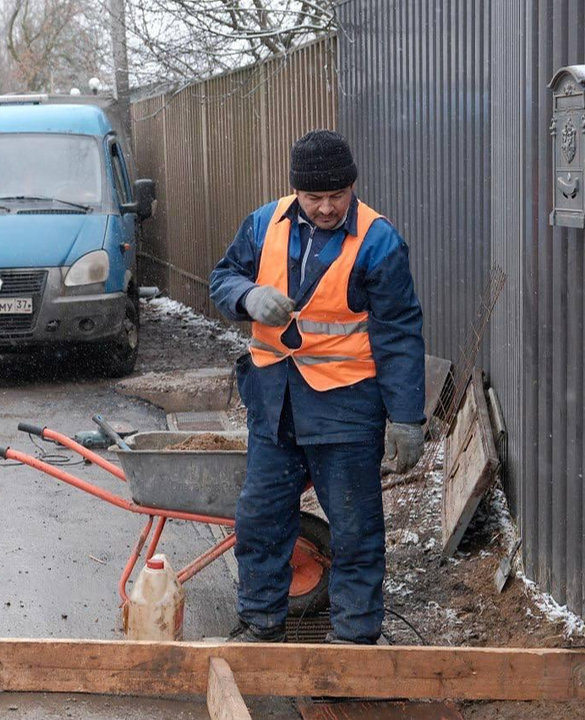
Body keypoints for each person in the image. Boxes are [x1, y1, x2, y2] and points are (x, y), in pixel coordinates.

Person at [209, 130, 425, 645]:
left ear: (352, 186)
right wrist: (248, 295)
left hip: (345, 409)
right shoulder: (264, 223)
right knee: (260, 524)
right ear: (296, 191)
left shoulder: (378, 240)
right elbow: (223, 278)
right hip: (273, 406)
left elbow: (398, 334)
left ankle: (353, 642)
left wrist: (407, 417)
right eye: (314, 198)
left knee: (355, 531)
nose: (327, 208)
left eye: (337, 196)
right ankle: (260, 626)